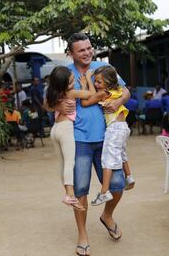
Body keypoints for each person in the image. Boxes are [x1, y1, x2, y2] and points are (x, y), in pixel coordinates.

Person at [55, 33, 130, 256]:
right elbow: (47, 101)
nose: (88, 53)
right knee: (80, 190)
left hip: (107, 138)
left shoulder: (103, 67)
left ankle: (107, 215)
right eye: (82, 50)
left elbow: (125, 90)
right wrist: (57, 105)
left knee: (118, 185)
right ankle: (82, 235)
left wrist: (118, 101)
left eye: (89, 48)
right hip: (79, 141)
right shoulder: (63, 73)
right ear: (71, 53)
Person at [79, 66, 135, 206]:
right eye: (95, 81)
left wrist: (85, 84)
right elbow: (125, 92)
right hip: (123, 127)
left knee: (107, 160)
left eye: (98, 81)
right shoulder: (118, 90)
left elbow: (85, 102)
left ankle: (104, 192)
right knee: (121, 153)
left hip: (114, 128)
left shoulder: (103, 93)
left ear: (108, 82)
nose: (96, 84)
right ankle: (129, 177)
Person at [46, 66, 96, 212]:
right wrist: (87, 80)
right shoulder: (72, 92)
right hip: (66, 129)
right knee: (70, 163)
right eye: (70, 82)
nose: (73, 83)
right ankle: (69, 195)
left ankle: (68, 194)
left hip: (55, 129)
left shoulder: (53, 93)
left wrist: (82, 85)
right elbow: (91, 94)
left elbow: (48, 105)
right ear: (63, 85)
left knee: (62, 164)